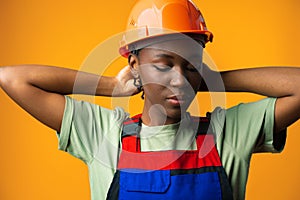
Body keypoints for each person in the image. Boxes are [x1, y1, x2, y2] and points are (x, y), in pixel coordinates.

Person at [0, 0, 299, 199]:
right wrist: (111, 86)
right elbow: (12, 78)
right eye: (164, 64)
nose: (179, 80)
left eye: (191, 66)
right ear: (134, 64)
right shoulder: (104, 134)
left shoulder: (229, 133)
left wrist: (212, 79)